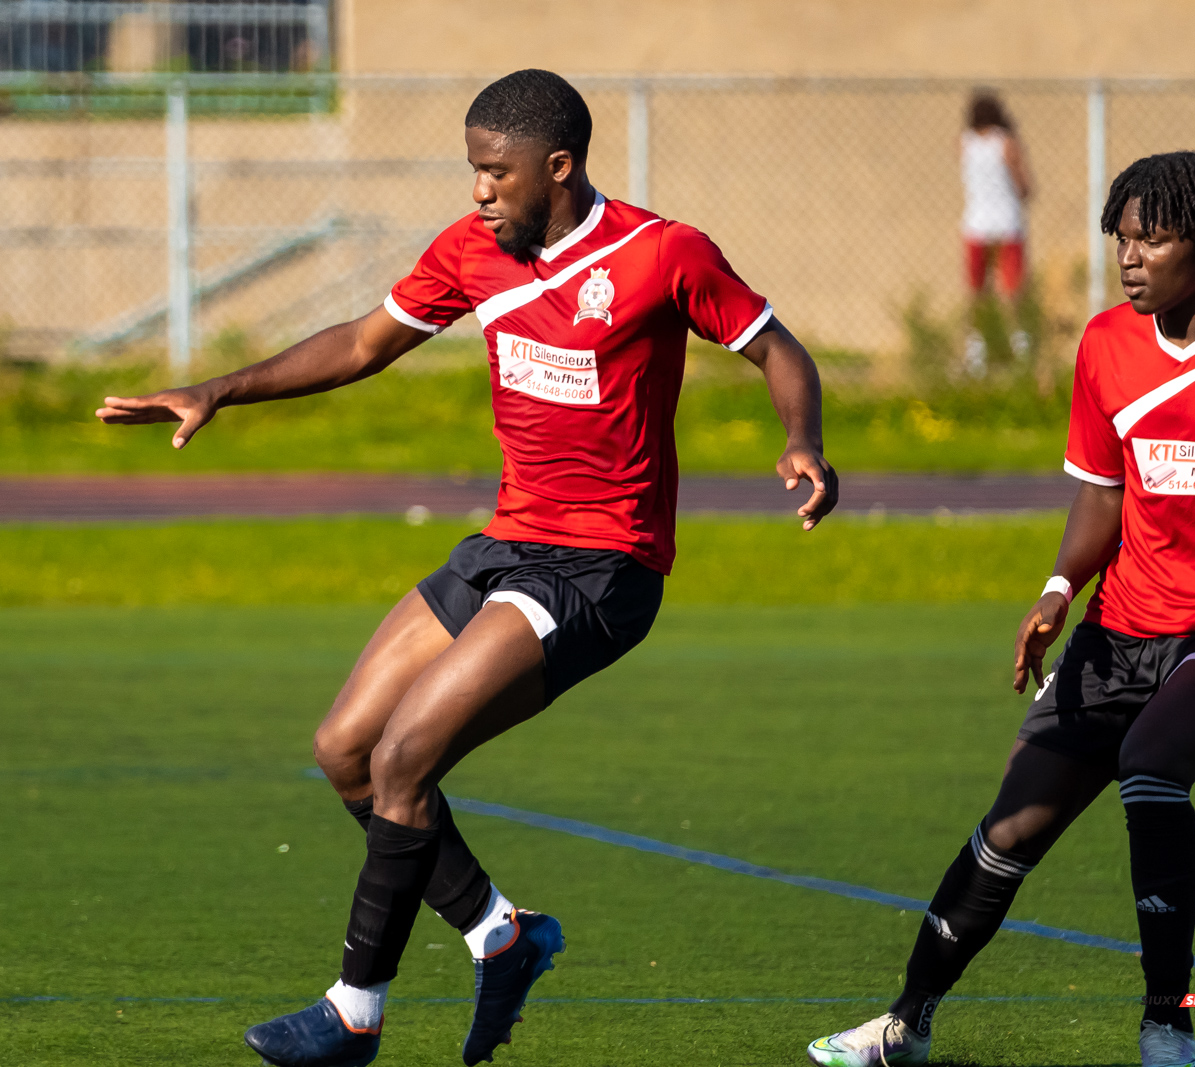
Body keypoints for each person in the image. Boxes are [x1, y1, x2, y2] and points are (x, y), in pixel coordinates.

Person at [97, 69, 838, 1067]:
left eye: (495, 172)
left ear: (558, 167)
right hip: (503, 544)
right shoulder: (468, 252)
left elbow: (778, 349)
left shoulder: (664, 254)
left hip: (599, 567)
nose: (479, 190)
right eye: (472, 170)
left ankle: (354, 1010)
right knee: (345, 748)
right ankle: (502, 933)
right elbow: (363, 342)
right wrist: (221, 388)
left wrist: (803, 440)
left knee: (406, 757)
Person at [808, 151, 1195, 1067]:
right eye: (1122, 239)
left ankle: (1168, 1027)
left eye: (1155, 237)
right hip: (1122, 621)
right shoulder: (1106, 344)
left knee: (1150, 765)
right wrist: (1059, 591)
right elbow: (1103, 494)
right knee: (1010, 825)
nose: (1130, 257)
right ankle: (904, 1023)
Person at [960, 90, 1033, 373]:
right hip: (1007, 224)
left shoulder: (964, 144)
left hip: (976, 225)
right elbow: (1024, 187)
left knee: (977, 293)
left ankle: (975, 354)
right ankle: (1021, 351)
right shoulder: (1006, 144)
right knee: (1013, 292)